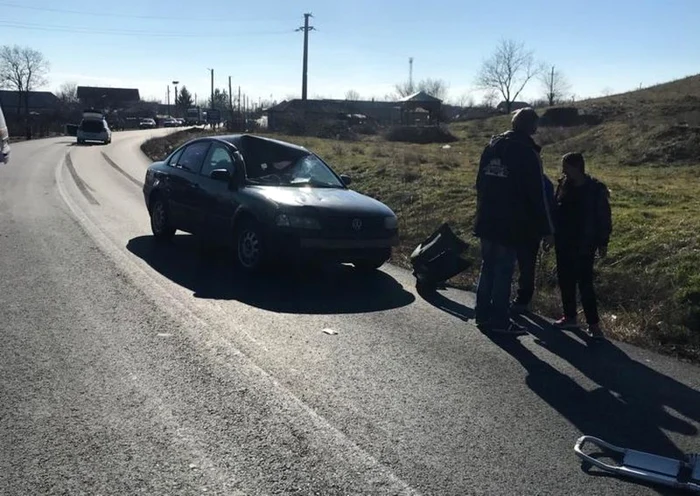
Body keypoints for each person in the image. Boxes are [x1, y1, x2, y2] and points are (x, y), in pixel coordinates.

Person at [473, 108, 555, 334]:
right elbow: (537, 194)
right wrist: (547, 229)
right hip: (510, 223)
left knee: (487, 267)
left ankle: (482, 314)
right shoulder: (527, 153)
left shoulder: (492, 146)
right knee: (503, 271)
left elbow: (479, 183)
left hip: (486, 218)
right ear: (533, 127)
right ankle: (500, 320)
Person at [549, 152, 612, 340]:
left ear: (577, 167)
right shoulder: (563, 185)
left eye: (567, 166)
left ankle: (593, 324)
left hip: (585, 243)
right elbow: (555, 210)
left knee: (585, 283)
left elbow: (603, 217)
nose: (564, 170)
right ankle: (570, 317)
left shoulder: (595, 189)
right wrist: (550, 234)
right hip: (564, 240)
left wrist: (603, 242)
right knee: (565, 280)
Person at [511, 173, 556, 314]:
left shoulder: (541, 182)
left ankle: (521, 299)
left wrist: (546, 232)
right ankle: (521, 299)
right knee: (526, 267)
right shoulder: (543, 181)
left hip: (525, 230)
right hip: (524, 229)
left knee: (524, 267)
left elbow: (546, 208)